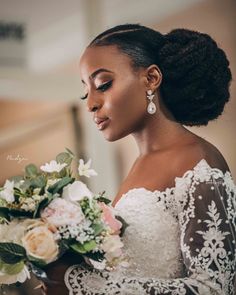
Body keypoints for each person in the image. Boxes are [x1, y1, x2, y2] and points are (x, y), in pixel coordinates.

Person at [48, 24, 236, 294]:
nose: (90, 103)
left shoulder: (197, 161)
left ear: (151, 78)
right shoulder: (139, 165)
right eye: (85, 91)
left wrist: (82, 284)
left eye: (103, 84)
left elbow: (214, 289)